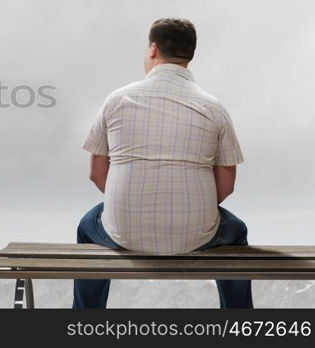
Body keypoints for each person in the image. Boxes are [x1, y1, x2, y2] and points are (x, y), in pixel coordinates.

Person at [75, 18, 252, 309]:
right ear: (190, 54)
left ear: (153, 49)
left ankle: (85, 322)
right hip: (197, 236)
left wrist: (128, 204)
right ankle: (239, 324)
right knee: (237, 230)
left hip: (122, 232)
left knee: (87, 225)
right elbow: (227, 185)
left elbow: (96, 174)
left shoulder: (116, 100)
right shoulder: (214, 107)